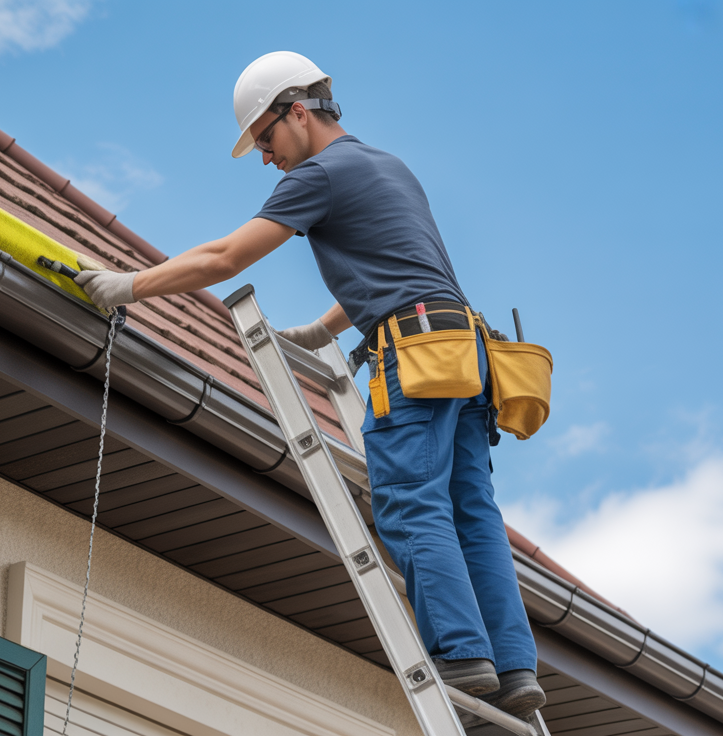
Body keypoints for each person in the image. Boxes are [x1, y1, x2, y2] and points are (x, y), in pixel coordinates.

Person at [74, 51, 546, 718]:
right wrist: (324, 331)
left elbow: (225, 256)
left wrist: (128, 287)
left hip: (409, 355)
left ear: (298, 110)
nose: (267, 158)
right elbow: (396, 267)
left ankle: (463, 651)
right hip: (464, 354)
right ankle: (517, 667)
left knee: (412, 502)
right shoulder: (387, 166)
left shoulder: (320, 174)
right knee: (473, 514)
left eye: (266, 137)